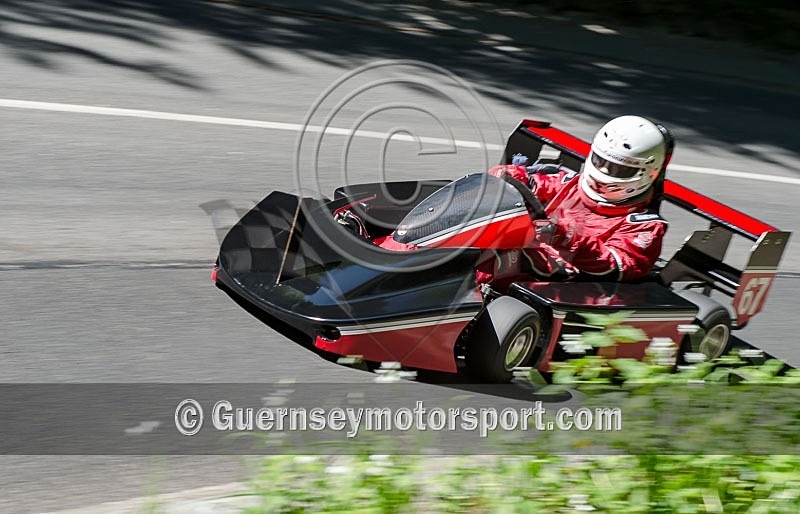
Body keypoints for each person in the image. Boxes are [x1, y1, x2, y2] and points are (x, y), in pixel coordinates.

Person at [479, 115, 670, 284]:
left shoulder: (646, 226)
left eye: (618, 169)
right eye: (600, 161)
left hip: (562, 286)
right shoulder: (569, 184)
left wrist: (568, 237)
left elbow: (618, 267)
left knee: (490, 269)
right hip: (526, 255)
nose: (603, 172)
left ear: (647, 173)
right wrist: (509, 175)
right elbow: (534, 183)